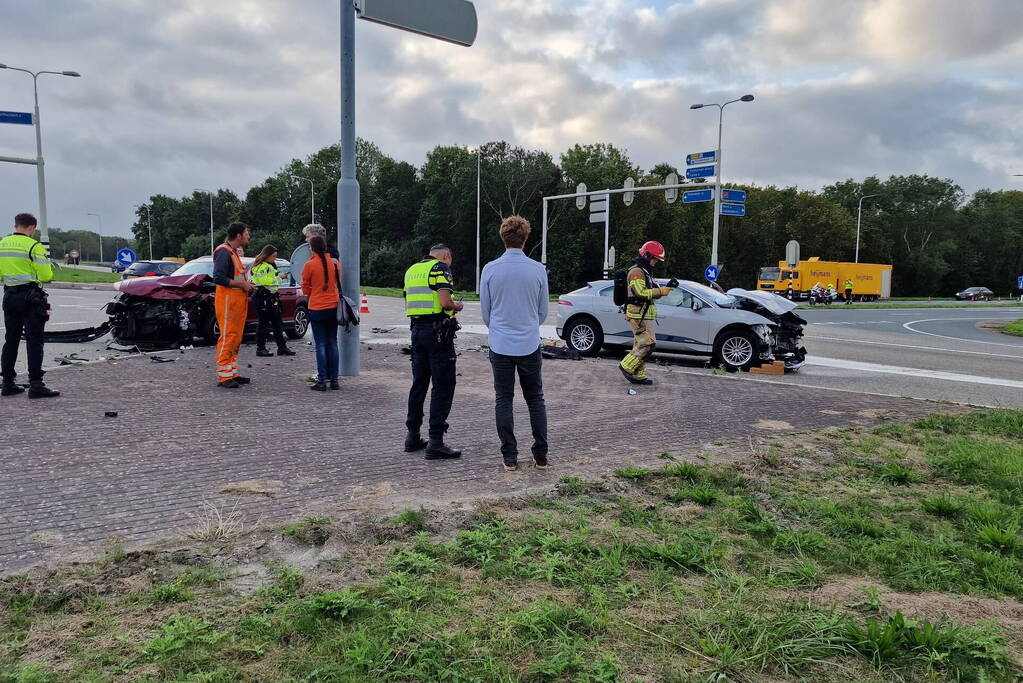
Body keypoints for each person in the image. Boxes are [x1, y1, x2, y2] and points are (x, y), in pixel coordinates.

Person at [480, 216, 549, 471]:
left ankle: (510, 457)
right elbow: (542, 311)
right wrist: (528, 325)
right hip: (529, 343)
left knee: (504, 399)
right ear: (525, 238)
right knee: (535, 399)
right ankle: (541, 454)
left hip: (500, 343)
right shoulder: (537, 270)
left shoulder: (490, 269)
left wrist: (499, 328)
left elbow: (485, 313)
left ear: (503, 237)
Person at [403, 244, 463, 460]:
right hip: (438, 333)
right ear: (446, 256)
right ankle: (436, 441)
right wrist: (457, 306)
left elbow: (408, 300)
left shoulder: (411, 270)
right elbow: (445, 302)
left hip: (416, 331)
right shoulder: (440, 268)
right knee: (443, 384)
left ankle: (412, 436)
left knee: (419, 383)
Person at [0, 213, 59, 398]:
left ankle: (7, 383)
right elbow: (46, 276)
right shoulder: (35, 246)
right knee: (34, 341)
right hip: (31, 298)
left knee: (11, 340)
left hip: (9, 296)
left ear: (16, 225)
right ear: (32, 227)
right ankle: (36, 385)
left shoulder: (2, 244)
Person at [619, 240, 672, 385]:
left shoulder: (646, 271)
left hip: (642, 313)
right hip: (637, 314)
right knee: (647, 344)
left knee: (641, 344)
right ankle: (627, 366)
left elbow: (650, 292)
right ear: (647, 256)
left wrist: (663, 290)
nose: (656, 262)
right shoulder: (637, 272)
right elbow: (640, 292)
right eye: (655, 259)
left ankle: (639, 374)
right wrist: (660, 291)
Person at [212, 222, 254, 388]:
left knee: (235, 338)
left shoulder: (232, 252)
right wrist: (242, 285)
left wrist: (246, 284)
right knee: (228, 337)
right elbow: (218, 278)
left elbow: (234, 277)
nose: (248, 236)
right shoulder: (224, 252)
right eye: (247, 233)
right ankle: (223, 377)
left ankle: (232, 373)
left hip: (236, 302)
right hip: (228, 302)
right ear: (239, 236)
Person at [301, 235, 341, 391]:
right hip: (333, 307)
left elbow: (305, 288)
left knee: (320, 345)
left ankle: (322, 380)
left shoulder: (309, 265)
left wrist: (315, 290)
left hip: (317, 308)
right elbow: (338, 283)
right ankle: (335, 380)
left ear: (312, 248)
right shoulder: (336, 264)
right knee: (333, 343)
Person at [250, 245, 296, 357]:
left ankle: (282, 348)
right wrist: (280, 277)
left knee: (278, 324)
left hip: (271, 297)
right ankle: (260, 348)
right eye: (273, 256)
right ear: (267, 255)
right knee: (263, 324)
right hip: (264, 297)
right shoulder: (262, 266)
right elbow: (265, 281)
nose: (275, 258)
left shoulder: (269, 265)